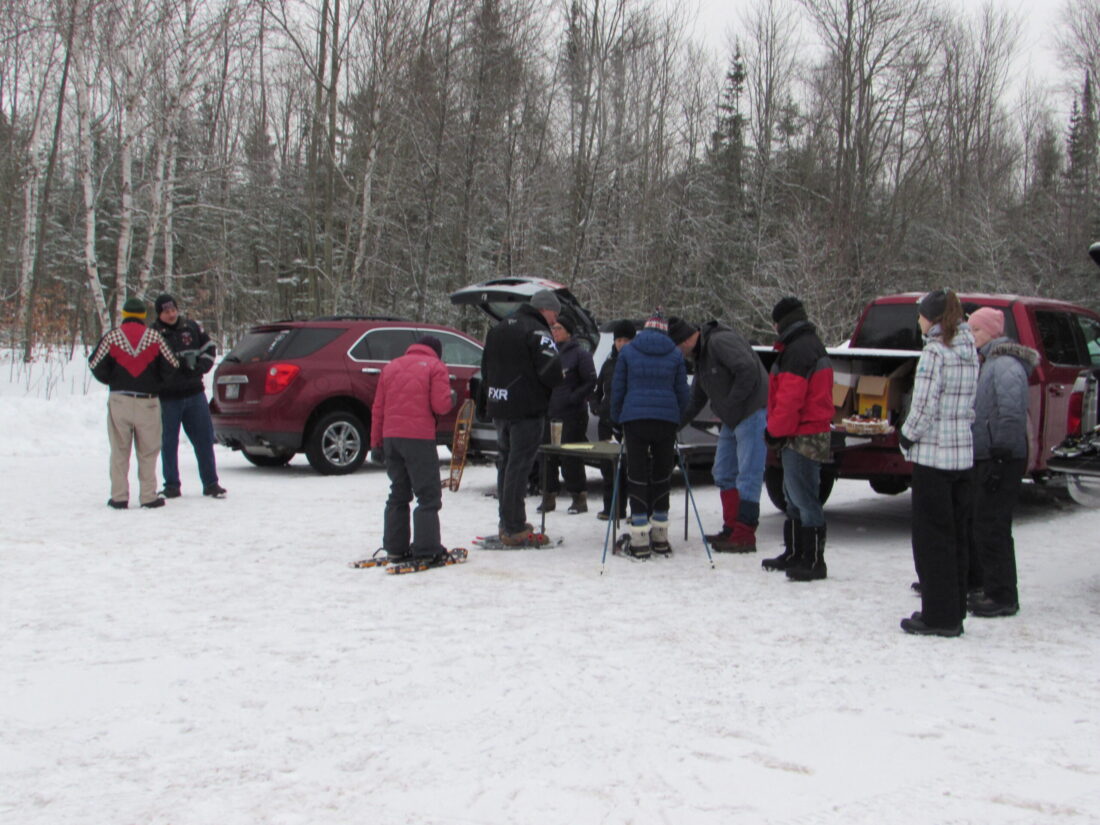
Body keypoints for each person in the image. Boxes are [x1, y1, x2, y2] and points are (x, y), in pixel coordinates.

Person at [897, 289, 979, 637]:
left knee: (932, 540)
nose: (918, 320)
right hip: (962, 456)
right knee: (957, 535)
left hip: (934, 456)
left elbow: (925, 405)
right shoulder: (969, 348)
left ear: (931, 318)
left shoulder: (934, 352)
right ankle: (954, 608)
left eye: (921, 314)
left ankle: (938, 616)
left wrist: (906, 435)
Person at [669, 316, 768, 553]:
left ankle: (745, 534)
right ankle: (731, 527)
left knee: (748, 475)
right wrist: (673, 426)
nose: (678, 356)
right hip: (731, 418)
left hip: (751, 412)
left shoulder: (719, 341)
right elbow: (696, 400)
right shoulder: (701, 357)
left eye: (675, 349)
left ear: (683, 341)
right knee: (723, 471)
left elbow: (748, 371)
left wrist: (730, 404)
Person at [966, 306, 1036, 618]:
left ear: (993, 332)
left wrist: (1000, 455)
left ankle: (1002, 594)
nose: (972, 337)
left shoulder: (1005, 365)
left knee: (992, 525)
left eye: (976, 331)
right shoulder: (990, 362)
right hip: (992, 454)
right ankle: (992, 588)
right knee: (986, 523)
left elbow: (1011, 412)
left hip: (1001, 457)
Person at [481, 289, 564, 545]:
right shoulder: (537, 331)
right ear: (545, 309)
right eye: (554, 314)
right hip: (526, 409)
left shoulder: (498, 329)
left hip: (500, 406)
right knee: (520, 466)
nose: (554, 321)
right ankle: (515, 527)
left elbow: (485, 369)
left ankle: (507, 520)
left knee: (506, 463)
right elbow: (552, 370)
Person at [762, 297, 834, 580]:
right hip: (804, 431)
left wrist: (774, 431)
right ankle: (796, 553)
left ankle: (813, 560)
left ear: (782, 322)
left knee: (803, 497)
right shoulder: (806, 345)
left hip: (802, 433)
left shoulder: (798, 350)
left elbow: (790, 399)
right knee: (794, 496)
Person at [610, 309, 691, 557]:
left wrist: (616, 419)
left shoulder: (629, 352)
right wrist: (677, 418)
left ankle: (639, 538)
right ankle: (660, 536)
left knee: (637, 475)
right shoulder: (675, 354)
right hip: (665, 421)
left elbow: (618, 389)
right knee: (661, 474)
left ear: (644, 330)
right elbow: (683, 393)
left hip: (634, 420)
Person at [88, 296, 180, 509]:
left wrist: (112, 379)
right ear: (143, 316)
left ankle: (119, 496)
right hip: (147, 401)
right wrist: (156, 383)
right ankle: (148, 496)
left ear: (125, 315)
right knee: (148, 451)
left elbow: (95, 363)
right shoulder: (154, 337)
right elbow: (172, 365)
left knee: (119, 450)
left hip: (119, 399)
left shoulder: (113, 337)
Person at [370, 335, 455, 563]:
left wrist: (375, 443)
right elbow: (441, 405)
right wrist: (451, 396)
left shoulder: (391, 367)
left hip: (391, 438)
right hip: (419, 438)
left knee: (398, 493)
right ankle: (427, 549)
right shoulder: (436, 367)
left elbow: (378, 408)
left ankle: (395, 548)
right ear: (436, 351)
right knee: (428, 496)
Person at [151, 294, 226, 499]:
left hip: (195, 394)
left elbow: (209, 348)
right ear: (159, 314)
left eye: (173, 309)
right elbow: (151, 365)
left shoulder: (191, 327)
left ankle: (211, 483)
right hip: (168, 398)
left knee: (203, 439)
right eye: (166, 311)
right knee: (168, 442)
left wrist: (201, 366)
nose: (171, 314)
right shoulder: (154, 333)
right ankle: (172, 485)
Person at [539, 315, 598, 514]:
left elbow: (590, 381)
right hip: (550, 413)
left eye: (559, 328)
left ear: (569, 332)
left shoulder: (580, 354)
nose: (555, 332)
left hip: (573, 414)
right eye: (553, 328)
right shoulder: (549, 353)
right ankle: (548, 496)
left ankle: (578, 497)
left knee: (571, 457)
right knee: (547, 455)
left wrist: (573, 398)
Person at [590, 320, 635, 520]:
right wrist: (596, 407)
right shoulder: (608, 364)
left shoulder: (636, 363)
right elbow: (596, 391)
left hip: (628, 424)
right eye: (618, 339)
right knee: (608, 468)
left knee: (629, 469)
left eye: (626, 340)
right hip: (606, 423)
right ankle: (612, 508)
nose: (621, 343)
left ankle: (635, 510)